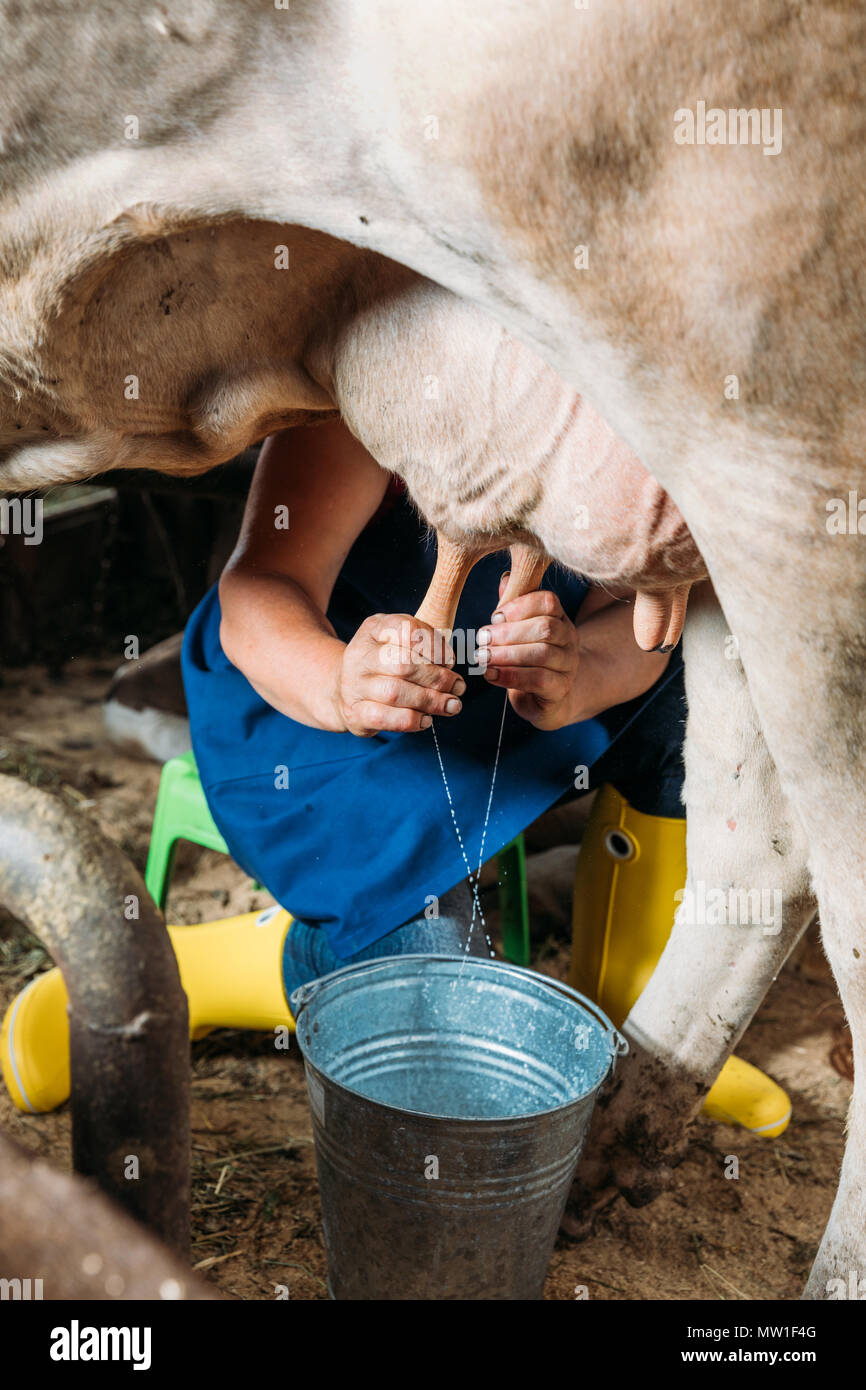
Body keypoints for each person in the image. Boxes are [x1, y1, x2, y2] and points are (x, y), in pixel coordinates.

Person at [181, 417, 686, 1001]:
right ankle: (274, 960)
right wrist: (338, 683)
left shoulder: (650, 408)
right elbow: (264, 583)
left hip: (505, 702)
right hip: (316, 714)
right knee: (439, 1000)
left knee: (691, 699)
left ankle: (644, 1034)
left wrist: (579, 676)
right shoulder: (386, 378)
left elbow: (646, 622)